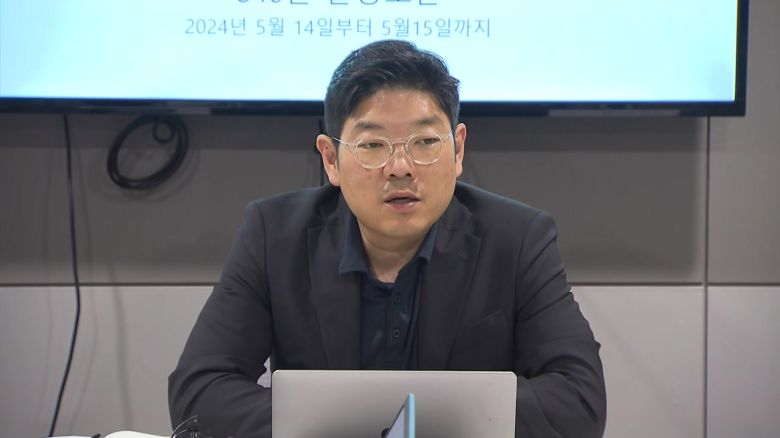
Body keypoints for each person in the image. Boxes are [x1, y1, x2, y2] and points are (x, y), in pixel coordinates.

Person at [169, 39, 606, 438]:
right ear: (330, 159)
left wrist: (389, 424)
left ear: (458, 149)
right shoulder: (274, 235)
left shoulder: (517, 239)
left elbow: (579, 401)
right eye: (373, 145)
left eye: (425, 141)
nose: (400, 168)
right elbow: (199, 392)